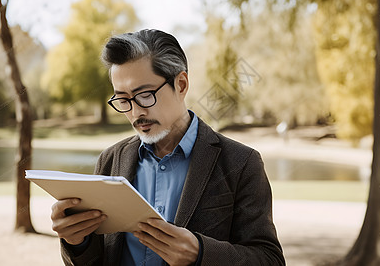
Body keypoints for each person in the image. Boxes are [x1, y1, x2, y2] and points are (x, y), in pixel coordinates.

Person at [51, 29, 286, 266]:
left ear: (181, 84)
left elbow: (270, 260)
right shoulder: (110, 160)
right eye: (123, 99)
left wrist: (201, 253)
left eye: (144, 95)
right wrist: (76, 242)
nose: (135, 112)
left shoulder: (241, 163)